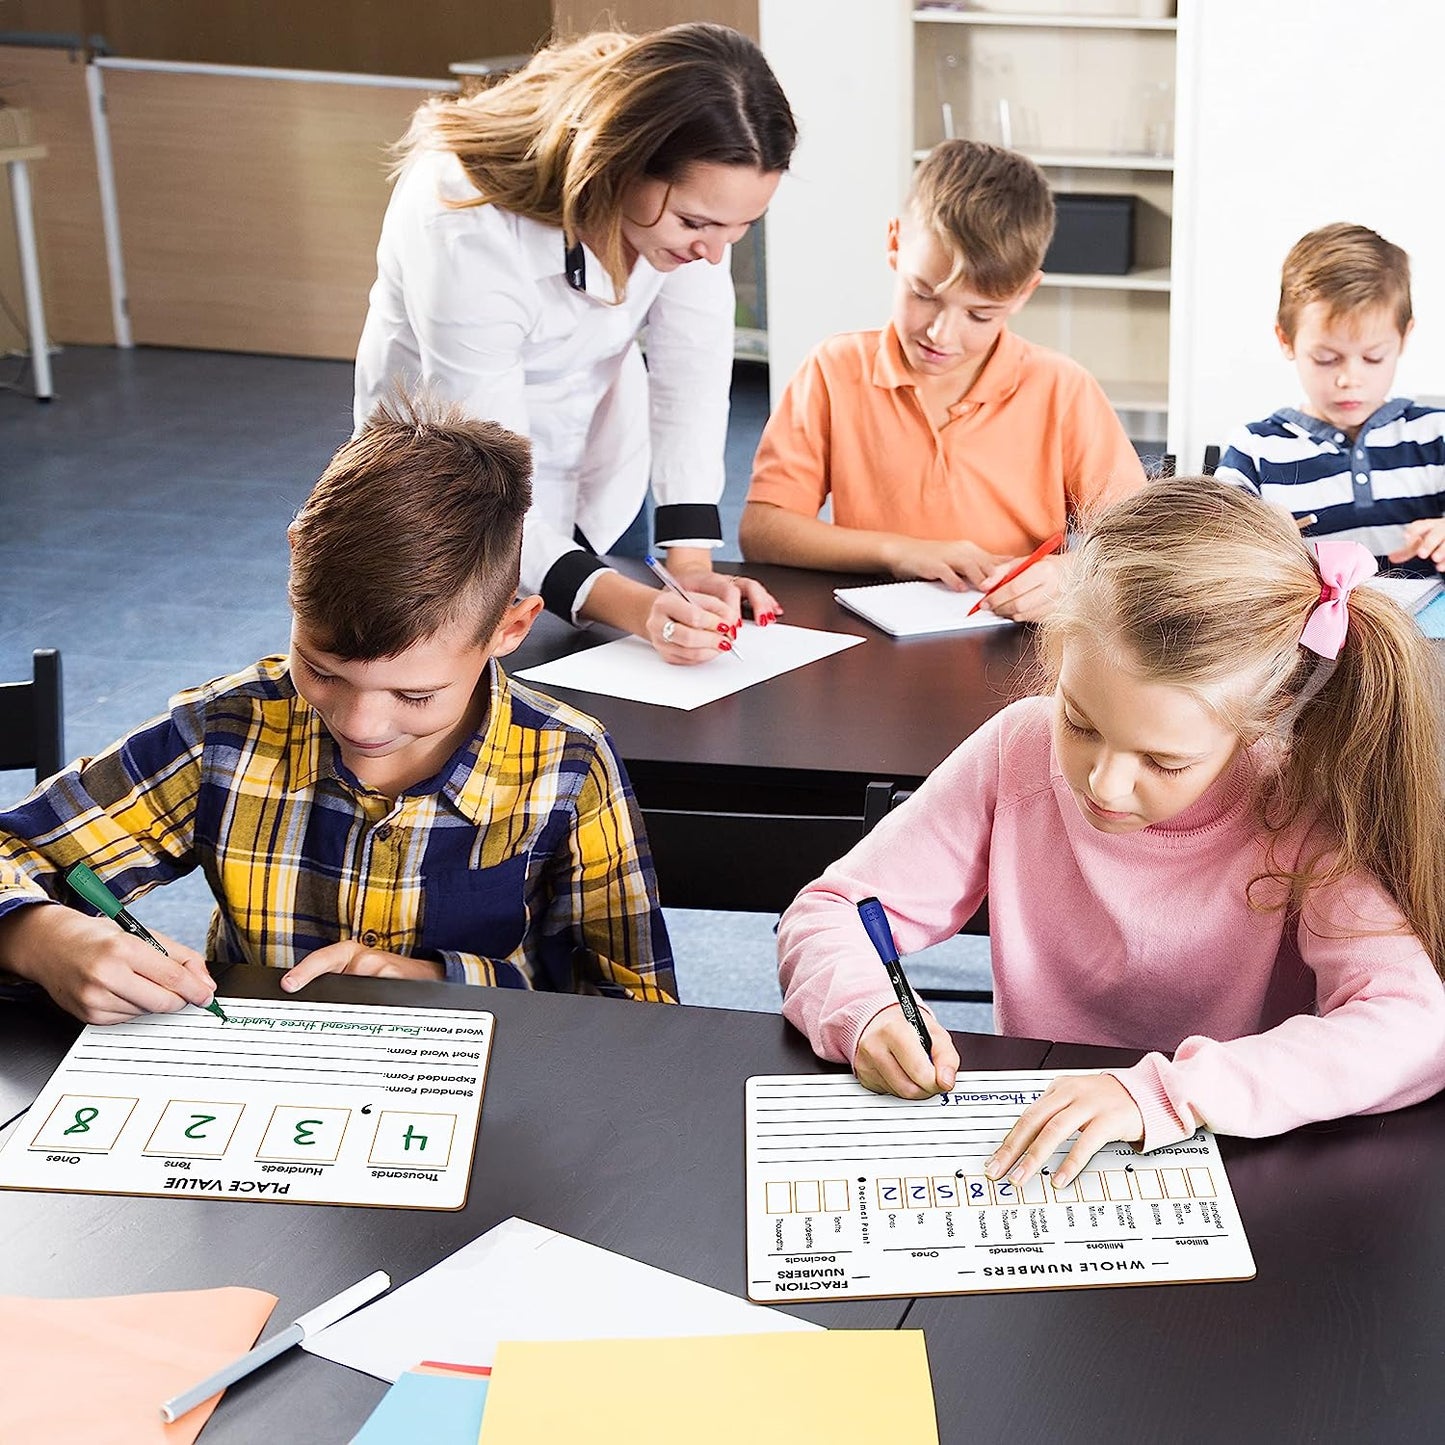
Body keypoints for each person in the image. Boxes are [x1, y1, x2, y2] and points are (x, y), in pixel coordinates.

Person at [777, 478, 1445, 1187]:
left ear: (1263, 714)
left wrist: (1163, 1093)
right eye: (1079, 722)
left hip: (1233, 1164)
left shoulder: (1298, 804)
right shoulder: (1017, 749)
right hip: (1043, 1154)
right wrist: (864, 1008)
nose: (1102, 784)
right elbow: (831, 912)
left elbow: (1411, 1028)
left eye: (1163, 760)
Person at [0, 396, 675, 1025]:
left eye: (414, 695)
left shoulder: (569, 764)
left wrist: (438, 982)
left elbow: (635, 1007)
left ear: (510, 630)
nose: (359, 724)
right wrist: (40, 934)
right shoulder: (222, 734)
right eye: (321, 671)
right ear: (296, 563)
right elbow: (13, 852)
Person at [355, 24, 797, 664]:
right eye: (696, 223)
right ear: (615, 164)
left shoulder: (700, 215)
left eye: (740, 227)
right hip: (444, 476)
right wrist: (639, 607)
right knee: (450, 690)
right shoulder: (459, 215)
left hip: (594, 455)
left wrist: (690, 564)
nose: (712, 250)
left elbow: (691, 372)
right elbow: (487, 474)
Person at [738, 140, 1146, 621]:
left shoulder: (1062, 388)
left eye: (979, 314)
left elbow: (1141, 544)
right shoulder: (834, 369)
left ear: (1023, 293)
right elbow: (762, 530)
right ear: (895, 243)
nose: (941, 334)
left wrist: (1069, 574)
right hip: (872, 635)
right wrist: (901, 551)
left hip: (1015, 641)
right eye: (923, 294)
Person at [1217, 222, 1445, 577]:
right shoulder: (1255, 451)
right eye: (1326, 358)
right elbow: (1212, 561)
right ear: (1286, 339)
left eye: (1373, 358)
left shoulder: (1437, 435)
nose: (1349, 379)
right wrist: (1260, 548)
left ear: (1403, 337)